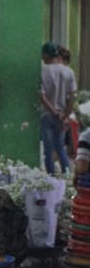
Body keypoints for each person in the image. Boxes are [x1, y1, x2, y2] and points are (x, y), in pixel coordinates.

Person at [41, 41, 77, 175]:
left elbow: (43, 97)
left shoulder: (44, 71)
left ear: (46, 56)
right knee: (60, 148)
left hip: (47, 116)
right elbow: (72, 95)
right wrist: (66, 116)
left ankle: (51, 180)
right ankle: (67, 178)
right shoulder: (69, 72)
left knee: (48, 152)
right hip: (63, 116)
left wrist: (56, 114)